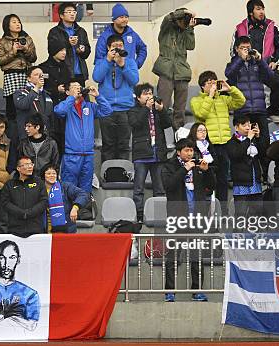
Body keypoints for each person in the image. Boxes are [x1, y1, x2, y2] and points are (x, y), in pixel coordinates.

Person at [162, 139, 214, 302]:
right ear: (178, 152)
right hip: (178, 218)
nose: (190, 153)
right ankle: (169, 291)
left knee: (197, 256)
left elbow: (211, 187)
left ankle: (197, 290)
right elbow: (168, 186)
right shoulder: (169, 166)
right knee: (173, 256)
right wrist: (184, 169)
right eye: (186, 150)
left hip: (197, 217)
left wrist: (207, 172)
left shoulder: (198, 166)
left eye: (191, 150)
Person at [190, 71, 246, 203]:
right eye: (209, 83)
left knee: (223, 179)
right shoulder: (196, 100)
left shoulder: (223, 99)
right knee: (208, 178)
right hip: (208, 144)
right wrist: (210, 96)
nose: (212, 85)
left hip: (225, 143)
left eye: (214, 82)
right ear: (202, 86)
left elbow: (241, 101)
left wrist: (230, 89)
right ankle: (207, 208)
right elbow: (201, 114)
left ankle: (223, 209)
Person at [230, 0, 279, 121]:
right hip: (246, 68)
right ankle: (240, 116)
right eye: (258, 9)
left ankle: (272, 112)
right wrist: (241, 61)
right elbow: (232, 51)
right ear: (251, 12)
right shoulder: (239, 28)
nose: (262, 12)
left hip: (265, 66)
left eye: (263, 9)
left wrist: (275, 62)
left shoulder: (272, 25)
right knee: (230, 84)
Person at [54, 82, 112, 193]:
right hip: (71, 155)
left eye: (79, 87)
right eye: (74, 87)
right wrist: (72, 98)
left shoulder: (89, 106)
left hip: (88, 155)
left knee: (85, 189)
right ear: (67, 92)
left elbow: (107, 111)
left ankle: (84, 210)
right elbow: (59, 111)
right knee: (68, 188)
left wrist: (98, 96)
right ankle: (69, 210)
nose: (78, 89)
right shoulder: (66, 106)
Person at [153, 8, 204, 129]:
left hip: (182, 72)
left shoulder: (185, 30)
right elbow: (168, 17)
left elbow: (190, 46)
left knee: (180, 109)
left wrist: (190, 28)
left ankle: (179, 136)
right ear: (178, 19)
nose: (184, 23)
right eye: (183, 20)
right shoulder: (166, 29)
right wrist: (186, 12)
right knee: (162, 106)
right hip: (166, 71)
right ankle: (161, 135)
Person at [226, 36, 274, 161]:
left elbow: (270, 76)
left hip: (259, 109)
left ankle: (263, 175)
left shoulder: (256, 63)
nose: (246, 50)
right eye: (242, 48)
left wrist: (260, 60)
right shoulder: (233, 63)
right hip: (242, 110)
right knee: (243, 144)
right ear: (236, 49)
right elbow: (229, 75)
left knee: (263, 143)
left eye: (248, 48)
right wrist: (240, 59)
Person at [128, 83, 171, 221]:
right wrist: (146, 109)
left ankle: (159, 216)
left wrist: (162, 110)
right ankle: (139, 216)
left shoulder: (157, 110)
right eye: (145, 94)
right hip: (141, 154)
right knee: (139, 189)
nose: (149, 96)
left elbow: (167, 123)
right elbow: (135, 124)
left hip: (158, 154)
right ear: (138, 97)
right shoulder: (133, 111)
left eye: (150, 93)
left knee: (160, 188)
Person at [93, 34, 138, 162]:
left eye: (120, 46)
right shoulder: (102, 61)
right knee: (108, 145)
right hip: (106, 109)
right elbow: (97, 77)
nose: (118, 49)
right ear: (108, 48)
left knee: (124, 145)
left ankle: (124, 175)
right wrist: (108, 61)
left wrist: (123, 65)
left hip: (125, 109)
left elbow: (134, 80)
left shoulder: (129, 61)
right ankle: (108, 175)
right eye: (114, 47)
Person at [0, 13, 37, 144]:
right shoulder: (3, 41)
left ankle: (28, 136)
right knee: (12, 111)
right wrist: (13, 51)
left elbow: (33, 58)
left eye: (18, 21)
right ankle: (13, 140)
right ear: (7, 25)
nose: (17, 24)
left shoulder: (27, 38)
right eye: (14, 22)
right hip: (11, 76)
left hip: (26, 75)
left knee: (27, 107)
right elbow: (0, 61)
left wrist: (25, 49)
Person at [226, 115, 266, 218]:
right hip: (241, 183)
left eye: (249, 125)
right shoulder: (231, 142)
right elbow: (236, 155)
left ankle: (256, 234)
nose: (248, 127)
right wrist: (248, 139)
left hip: (255, 182)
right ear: (236, 127)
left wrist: (258, 137)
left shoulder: (254, 140)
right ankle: (239, 234)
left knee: (257, 214)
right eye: (244, 125)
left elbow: (264, 154)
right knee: (241, 215)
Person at [1, 156, 48, 237]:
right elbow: (5, 203)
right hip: (14, 229)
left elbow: (44, 201)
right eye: (26, 164)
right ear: (18, 168)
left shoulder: (39, 182)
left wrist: (29, 213)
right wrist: (21, 213)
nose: (30, 167)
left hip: (36, 229)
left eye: (31, 164)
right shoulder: (9, 184)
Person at [39, 40, 72, 156]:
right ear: (53, 51)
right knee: (51, 140)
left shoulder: (67, 68)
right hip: (49, 109)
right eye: (61, 50)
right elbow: (40, 88)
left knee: (64, 139)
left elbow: (70, 83)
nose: (64, 53)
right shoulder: (43, 68)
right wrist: (55, 89)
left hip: (64, 108)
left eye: (65, 50)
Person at [47, 2, 91, 85]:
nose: (72, 14)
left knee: (80, 97)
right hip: (63, 72)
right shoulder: (55, 32)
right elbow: (51, 51)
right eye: (69, 12)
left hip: (80, 73)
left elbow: (87, 52)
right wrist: (68, 43)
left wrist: (82, 50)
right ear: (61, 15)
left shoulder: (81, 31)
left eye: (74, 12)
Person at [94, 3, 147, 69]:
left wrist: (136, 65)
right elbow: (99, 59)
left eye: (126, 17)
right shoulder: (104, 37)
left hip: (128, 75)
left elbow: (143, 49)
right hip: (111, 76)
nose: (124, 19)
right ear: (114, 19)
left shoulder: (132, 34)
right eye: (121, 17)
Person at [41, 164, 89, 233]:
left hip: (65, 228)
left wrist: (75, 208)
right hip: (44, 229)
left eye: (54, 173)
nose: (52, 175)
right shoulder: (39, 189)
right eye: (48, 173)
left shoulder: (65, 186)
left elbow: (83, 194)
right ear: (43, 175)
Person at [13, 66, 53, 141]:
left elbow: (49, 116)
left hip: (43, 136)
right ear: (28, 78)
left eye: (41, 75)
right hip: (26, 136)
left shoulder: (47, 95)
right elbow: (23, 105)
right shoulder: (20, 92)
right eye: (36, 74)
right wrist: (36, 88)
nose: (40, 77)